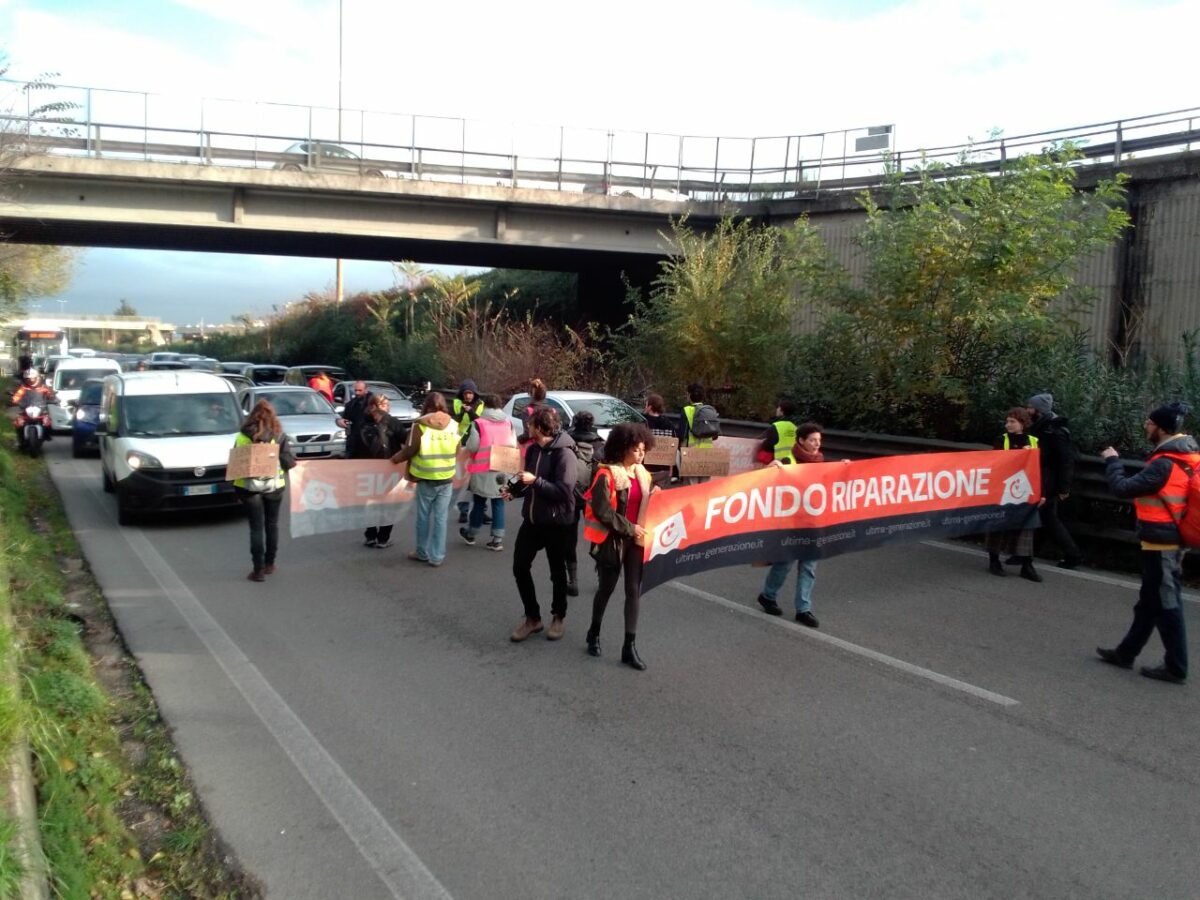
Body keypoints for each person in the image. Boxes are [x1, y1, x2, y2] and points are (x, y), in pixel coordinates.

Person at [1096, 401, 1197, 684]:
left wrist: (1113, 461)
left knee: (1167, 603)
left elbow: (1122, 488)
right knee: (1150, 602)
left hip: (1163, 542)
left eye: (1149, 423)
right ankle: (1126, 653)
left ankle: (1176, 667)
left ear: (1162, 429)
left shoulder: (1165, 462)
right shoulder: (1187, 455)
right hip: (1168, 538)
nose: (1145, 427)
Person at [582, 422, 657, 670]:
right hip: (613, 541)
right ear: (623, 448)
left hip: (636, 540)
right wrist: (629, 528)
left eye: (643, 450)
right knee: (606, 589)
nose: (641, 454)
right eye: (636, 450)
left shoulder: (643, 474)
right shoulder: (606, 474)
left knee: (633, 592)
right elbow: (603, 511)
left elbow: (645, 503)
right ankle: (593, 633)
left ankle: (629, 647)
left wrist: (656, 495)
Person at [505, 405, 577, 643]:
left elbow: (564, 492)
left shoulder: (564, 454)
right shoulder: (534, 449)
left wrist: (535, 481)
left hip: (557, 522)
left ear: (540, 426)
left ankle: (559, 616)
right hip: (533, 520)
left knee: (557, 572)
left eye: (530, 423)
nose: (527, 426)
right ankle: (533, 618)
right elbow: (528, 481)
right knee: (519, 566)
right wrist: (514, 491)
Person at [756, 422, 826, 627]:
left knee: (809, 566)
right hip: (791, 523)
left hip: (813, 522)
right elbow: (763, 480)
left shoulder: (822, 463)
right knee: (784, 563)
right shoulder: (789, 460)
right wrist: (772, 467)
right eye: (812, 440)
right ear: (801, 441)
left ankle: (803, 609)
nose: (816, 444)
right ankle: (768, 595)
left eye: (819, 441)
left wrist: (846, 468)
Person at [391, 392, 458, 567]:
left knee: (423, 517)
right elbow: (457, 450)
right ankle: (437, 557)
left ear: (426, 406)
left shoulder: (419, 426)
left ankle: (422, 552)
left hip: (426, 477)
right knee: (441, 518)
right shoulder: (453, 425)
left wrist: (395, 459)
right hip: (446, 477)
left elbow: (409, 450)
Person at [233, 400, 296, 582]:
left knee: (256, 528)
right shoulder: (279, 435)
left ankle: (257, 570)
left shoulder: (242, 436)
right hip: (274, 486)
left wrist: (236, 489)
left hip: (249, 488)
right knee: (272, 524)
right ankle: (270, 564)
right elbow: (288, 462)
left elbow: (237, 464)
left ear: (252, 415)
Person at [1026, 392, 1083, 569]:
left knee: (1048, 518)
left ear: (1038, 410)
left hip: (1048, 482)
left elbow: (1066, 460)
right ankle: (1028, 554)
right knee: (1043, 517)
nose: (1028, 410)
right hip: (1042, 479)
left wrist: (1063, 487)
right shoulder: (1044, 427)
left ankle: (1073, 555)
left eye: (1030, 407)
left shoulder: (1054, 431)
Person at [985, 408, 1043, 582]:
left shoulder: (1033, 441)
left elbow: (1040, 468)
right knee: (998, 523)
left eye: (1012, 422)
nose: (1008, 425)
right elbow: (996, 463)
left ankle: (1027, 565)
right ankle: (994, 561)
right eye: (1007, 421)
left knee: (1027, 525)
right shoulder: (1001, 440)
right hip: (1003, 488)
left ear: (1022, 424)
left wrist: (1042, 493)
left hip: (1026, 489)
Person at [460, 393, 517, 551]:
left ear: (484, 406)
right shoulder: (508, 423)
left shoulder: (479, 423)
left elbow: (472, 447)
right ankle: (497, 539)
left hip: (482, 468)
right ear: (500, 406)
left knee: (479, 502)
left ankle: (471, 533)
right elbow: (513, 444)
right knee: (498, 501)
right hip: (502, 466)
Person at [565, 410, 605, 597]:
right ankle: (601, 578)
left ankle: (572, 580)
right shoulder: (600, 445)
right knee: (597, 536)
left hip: (571, 495)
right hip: (593, 497)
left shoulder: (566, 442)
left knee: (570, 538)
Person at [360, 393, 407, 549]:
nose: (388, 407)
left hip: (375, 470)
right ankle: (379, 537)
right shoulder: (390, 423)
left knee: (373, 503)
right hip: (382, 470)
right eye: (385, 404)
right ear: (374, 406)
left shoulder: (363, 423)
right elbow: (406, 442)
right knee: (383, 503)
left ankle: (375, 536)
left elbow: (353, 447)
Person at [453, 378, 485, 523]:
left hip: (476, 443)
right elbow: (456, 420)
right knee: (463, 480)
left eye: (470, 393)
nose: (468, 396)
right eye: (465, 393)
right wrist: (461, 411)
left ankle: (481, 510)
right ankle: (463, 510)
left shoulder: (480, 404)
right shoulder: (457, 403)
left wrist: (470, 411)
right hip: (461, 443)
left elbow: (479, 420)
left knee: (478, 478)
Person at [678, 382, 717, 484]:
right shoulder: (710, 410)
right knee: (704, 488)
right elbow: (715, 435)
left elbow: (682, 434)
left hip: (691, 454)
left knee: (691, 488)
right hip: (708, 454)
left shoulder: (686, 410)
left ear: (689, 395)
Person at [642, 393, 677, 485]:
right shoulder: (669, 424)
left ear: (649, 407)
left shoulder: (643, 423)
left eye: (646, 405)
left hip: (645, 468)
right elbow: (672, 448)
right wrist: (671, 470)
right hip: (663, 469)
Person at [756, 399, 798, 465]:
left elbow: (768, 446)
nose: (777, 409)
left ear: (781, 411)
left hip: (777, 463)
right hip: (792, 462)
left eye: (778, 407)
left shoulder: (776, 426)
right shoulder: (795, 427)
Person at [339, 380, 375, 459]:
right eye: (355, 390)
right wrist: (341, 422)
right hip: (353, 441)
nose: (357, 393)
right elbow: (349, 422)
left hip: (369, 441)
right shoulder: (351, 404)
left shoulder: (373, 404)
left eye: (360, 390)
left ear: (366, 390)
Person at [517, 378, 548, 445]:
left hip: (532, 447)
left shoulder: (528, 411)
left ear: (531, 394)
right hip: (547, 447)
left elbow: (527, 434)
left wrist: (516, 440)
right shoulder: (551, 410)